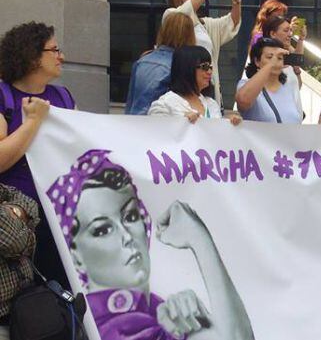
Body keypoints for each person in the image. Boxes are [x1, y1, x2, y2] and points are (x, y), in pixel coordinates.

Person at [45, 150, 255, 340]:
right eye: (102, 230)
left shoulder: (151, 307)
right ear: (76, 254)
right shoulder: (117, 326)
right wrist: (201, 242)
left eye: (130, 216)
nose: (126, 235)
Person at [0, 22, 76, 288]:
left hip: (59, 217)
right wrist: (32, 122)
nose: (61, 56)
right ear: (32, 56)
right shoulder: (3, 96)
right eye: (54, 50)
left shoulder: (63, 96)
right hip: (17, 225)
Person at [164, 0, 242, 105]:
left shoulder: (204, 24)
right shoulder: (170, 15)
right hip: (184, 86)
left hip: (207, 85)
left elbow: (232, 22)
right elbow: (182, 14)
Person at [148, 46, 242, 125]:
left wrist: (229, 124)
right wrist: (180, 123)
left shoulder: (212, 104)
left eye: (210, 67)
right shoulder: (165, 104)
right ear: (187, 69)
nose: (209, 72)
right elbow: (156, 137)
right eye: (204, 67)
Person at [125, 13, 196, 115]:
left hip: (134, 123)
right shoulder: (182, 66)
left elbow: (130, 102)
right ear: (189, 36)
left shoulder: (142, 61)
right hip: (161, 123)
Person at [0, 184, 40, 338]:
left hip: (25, 308)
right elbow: (17, 243)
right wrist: (18, 214)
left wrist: (14, 210)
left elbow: (22, 197)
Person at [235, 37, 302, 124]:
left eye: (280, 58)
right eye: (270, 57)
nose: (275, 62)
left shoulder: (288, 87)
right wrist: (270, 65)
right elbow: (243, 100)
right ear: (257, 61)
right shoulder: (245, 84)